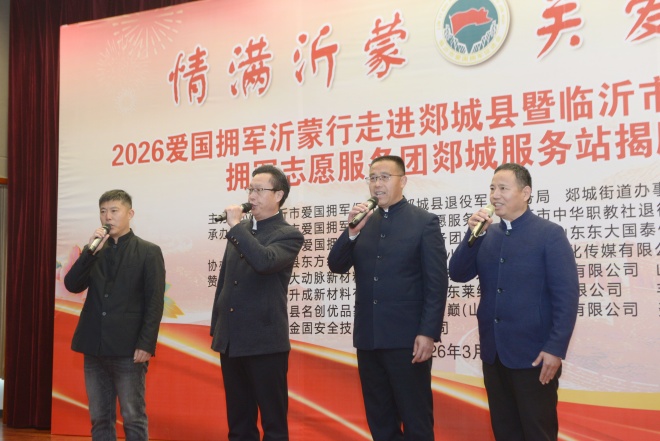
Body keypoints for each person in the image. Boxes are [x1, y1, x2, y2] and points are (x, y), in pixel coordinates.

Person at [448, 163, 579, 441]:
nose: (495, 195)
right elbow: (457, 273)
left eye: (503, 188)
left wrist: (555, 348)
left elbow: (566, 296)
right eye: (492, 188)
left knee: (537, 431)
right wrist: (473, 235)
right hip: (494, 353)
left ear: (525, 193)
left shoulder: (549, 234)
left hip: (535, 355)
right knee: (505, 431)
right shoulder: (486, 234)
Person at [328, 155, 448, 441]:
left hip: (407, 340)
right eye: (372, 178)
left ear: (402, 181)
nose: (377, 184)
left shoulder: (424, 222)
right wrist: (351, 232)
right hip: (369, 338)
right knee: (380, 420)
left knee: (416, 419)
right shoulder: (363, 222)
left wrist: (428, 332)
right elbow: (336, 265)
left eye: (384, 177)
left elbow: (436, 283)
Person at [211, 165, 304, 441]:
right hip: (232, 340)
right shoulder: (240, 231)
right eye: (250, 189)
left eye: (259, 190)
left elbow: (264, 262)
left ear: (279, 195)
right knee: (239, 423)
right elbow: (225, 281)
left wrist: (236, 228)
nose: (251, 196)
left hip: (265, 342)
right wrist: (218, 327)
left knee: (273, 424)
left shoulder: (288, 234)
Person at [64, 189, 166, 441]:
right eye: (103, 211)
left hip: (128, 349)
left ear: (130, 214)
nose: (107, 217)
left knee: (133, 416)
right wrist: (89, 252)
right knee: (100, 417)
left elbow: (154, 302)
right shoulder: (95, 251)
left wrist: (146, 344)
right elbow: (72, 284)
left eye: (113, 210)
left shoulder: (148, 251)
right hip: (94, 345)